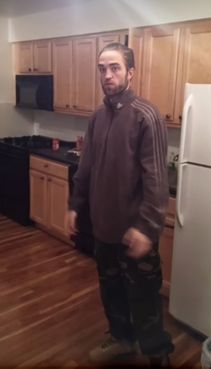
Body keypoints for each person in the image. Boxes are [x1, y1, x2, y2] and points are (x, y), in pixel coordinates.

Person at [66, 42, 174, 367]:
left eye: (114, 67)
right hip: (104, 229)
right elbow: (86, 169)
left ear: (130, 72)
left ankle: (158, 355)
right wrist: (75, 205)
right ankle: (122, 339)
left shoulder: (147, 116)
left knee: (144, 300)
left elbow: (156, 182)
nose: (107, 74)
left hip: (135, 232)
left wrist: (146, 228)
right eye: (102, 68)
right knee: (111, 292)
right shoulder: (97, 117)